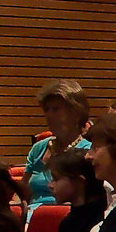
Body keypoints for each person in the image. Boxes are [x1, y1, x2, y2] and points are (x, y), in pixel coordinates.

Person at [24, 80, 90, 214]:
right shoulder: (38, 148)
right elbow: (23, 192)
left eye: (55, 109)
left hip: (66, 216)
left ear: (76, 112)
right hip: (32, 217)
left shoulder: (87, 152)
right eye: (46, 110)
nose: (48, 115)